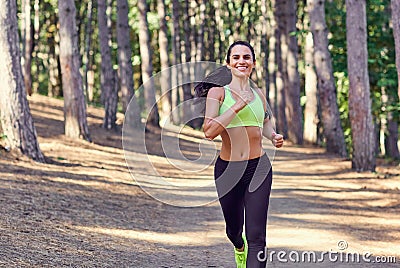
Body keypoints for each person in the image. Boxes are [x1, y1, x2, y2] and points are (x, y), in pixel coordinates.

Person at [196, 41, 284, 268]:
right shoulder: (218, 94)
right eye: (236, 57)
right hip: (228, 170)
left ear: (253, 64)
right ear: (228, 64)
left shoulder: (259, 95)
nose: (241, 61)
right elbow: (209, 132)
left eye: (246, 57)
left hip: (259, 168)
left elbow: (263, 123)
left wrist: (273, 136)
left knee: (257, 237)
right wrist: (236, 106)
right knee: (234, 230)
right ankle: (238, 246)